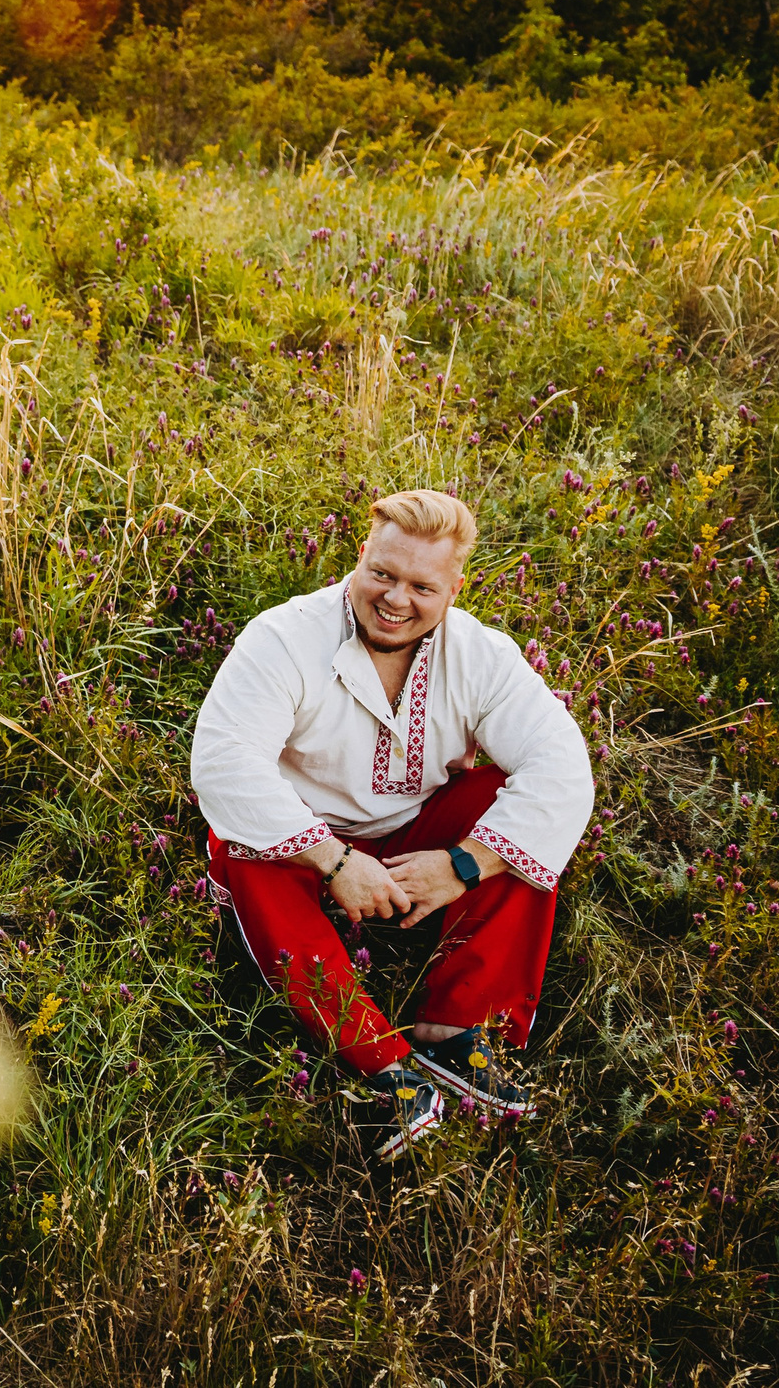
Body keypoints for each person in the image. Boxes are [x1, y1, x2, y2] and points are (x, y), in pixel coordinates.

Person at [189, 489, 593, 1158]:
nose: (396, 599)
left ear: (455, 589)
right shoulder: (284, 637)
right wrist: (335, 862)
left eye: (421, 586)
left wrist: (463, 864)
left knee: (505, 800)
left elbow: (562, 769)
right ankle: (384, 1069)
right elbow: (225, 766)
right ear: (360, 557)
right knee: (240, 842)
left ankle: (455, 1035)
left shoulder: (482, 656)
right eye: (382, 574)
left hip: (413, 842)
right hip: (302, 848)